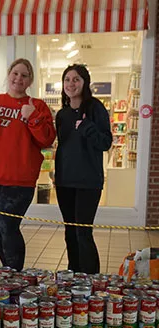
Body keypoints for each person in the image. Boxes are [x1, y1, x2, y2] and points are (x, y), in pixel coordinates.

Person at [0, 58, 56, 271]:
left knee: (8, 226)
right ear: (8, 75)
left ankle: (15, 274)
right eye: (15, 73)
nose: (18, 78)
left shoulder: (38, 106)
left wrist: (32, 117)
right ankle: (7, 272)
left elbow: (47, 140)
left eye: (24, 75)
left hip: (19, 180)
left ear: (30, 80)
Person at [55, 64, 112, 274]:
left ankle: (90, 277)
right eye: (67, 79)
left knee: (83, 232)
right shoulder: (62, 114)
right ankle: (74, 273)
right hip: (64, 182)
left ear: (85, 82)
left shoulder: (95, 108)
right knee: (70, 231)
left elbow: (106, 142)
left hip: (88, 182)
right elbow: (64, 147)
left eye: (76, 79)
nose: (71, 83)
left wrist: (87, 127)